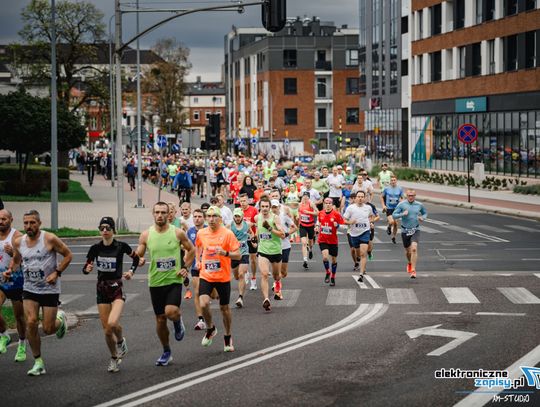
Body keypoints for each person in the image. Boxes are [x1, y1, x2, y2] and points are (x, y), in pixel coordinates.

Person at [9, 210, 73, 376]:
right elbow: (16, 259)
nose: (28, 226)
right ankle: (38, 362)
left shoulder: (49, 239)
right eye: (26, 223)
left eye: (32, 223)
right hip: (30, 288)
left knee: (48, 329)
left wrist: (56, 272)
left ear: (39, 223)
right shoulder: (18, 242)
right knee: (30, 321)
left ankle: (60, 320)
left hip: (49, 288)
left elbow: (68, 255)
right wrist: (10, 270)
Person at [135, 202, 195, 366]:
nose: (160, 215)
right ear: (153, 214)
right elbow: (139, 253)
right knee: (160, 319)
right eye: (157, 212)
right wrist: (138, 259)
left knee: (171, 311)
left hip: (173, 279)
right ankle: (166, 351)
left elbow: (192, 250)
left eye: (163, 212)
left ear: (169, 215)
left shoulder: (178, 233)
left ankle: (177, 321)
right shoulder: (146, 235)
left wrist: (185, 267)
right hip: (155, 282)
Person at [83, 217, 141, 373]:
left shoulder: (121, 246)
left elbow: (136, 258)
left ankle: (121, 341)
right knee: (107, 330)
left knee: (113, 323)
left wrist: (131, 271)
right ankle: (114, 358)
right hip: (101, 289)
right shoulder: (95, 248)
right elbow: (86, 266)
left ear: (113, 230)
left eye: (108, 228)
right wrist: (87, 269)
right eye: (101, 228)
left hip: (116, 288)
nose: (105, 231)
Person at [195, 206, 240, 351]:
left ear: (220, 218)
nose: (211, 219)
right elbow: (198, 246)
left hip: (222, 277)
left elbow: (238, 255)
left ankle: (227, 336)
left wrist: (226, 253)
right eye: (208, 216)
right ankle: (211, 328)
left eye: (214, 216)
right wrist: (198, 260)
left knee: (224, 308)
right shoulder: (201, 233)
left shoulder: (228, 234)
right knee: (203, 303)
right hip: (206, 275)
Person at [0, 209, 26, 361]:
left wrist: (13, 254)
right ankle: (4, 334)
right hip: (1, 281)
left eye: (4, 219)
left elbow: (24, 258)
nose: (1, 221)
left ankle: (22, 344)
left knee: (19, 317)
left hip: (16, 281)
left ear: (11, 220)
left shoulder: (17, 236)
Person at [255, 197, 285, 310]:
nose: (264, 209)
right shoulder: (257, 217)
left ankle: (277, 283)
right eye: (262, 206)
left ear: (270, 207)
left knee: (276, 275)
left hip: (276, 251)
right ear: (260, 207)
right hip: (263, 250)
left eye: (266, 206)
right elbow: (258, 230)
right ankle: (266, 299)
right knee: (264, 274)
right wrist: (255, 239)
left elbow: (282, 234)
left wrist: (270, 229)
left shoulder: (275, 218)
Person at [390, 189, 427, 279]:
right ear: (406, 196)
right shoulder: (401, 204)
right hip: (405, 230)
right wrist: (402, 214)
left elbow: (425, 213)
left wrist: (423, 218)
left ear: (415, 196)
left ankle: (413, 270)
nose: (411, 197)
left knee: (414, 249)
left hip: (415, 229)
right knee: (408, 251)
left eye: (413, 195)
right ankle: (410, 263)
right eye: (409, 195)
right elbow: (394, 215)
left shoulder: (419, 205)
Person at [343, 191, 374, 281]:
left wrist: (371, 222)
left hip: (365, 232)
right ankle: (359, 262)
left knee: (363, 253)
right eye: (358, 196)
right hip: (354, 234)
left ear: (364, 198)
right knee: (358, 254)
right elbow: (344, 220)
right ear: (356, 198)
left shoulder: (368, 207)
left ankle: (361, 274)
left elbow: (371, 216)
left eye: (362, 197)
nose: (360, 198)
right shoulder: (350, 208)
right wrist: (350, 222)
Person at [186, 209, 207, 330]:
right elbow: (188, 247)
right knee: (198, 291)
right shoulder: (190, 231)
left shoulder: (208, 230)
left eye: (199, 216)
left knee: (213, 294)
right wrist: (186, 257)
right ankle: (200, 319)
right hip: (195, 265)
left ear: (204, 218)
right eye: (195, 216)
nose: (197, 218)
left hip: (209, 266)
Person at [317, 198, 345, 286]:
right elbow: (318, 222)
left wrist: (337, 225)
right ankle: (327, 272)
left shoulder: (336, 214)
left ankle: (333, 276)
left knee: (333, 260)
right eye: (326, 203)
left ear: (332, 204)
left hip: (333, 240)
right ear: (324, 204)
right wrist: (317, 226)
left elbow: (342, 223)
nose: (328, 205)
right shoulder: (320, 213)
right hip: (323, 239)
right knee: (325, 257)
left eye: (329, 203)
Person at [230, 208, 252, 308]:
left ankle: (240, 297)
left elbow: (252, 232)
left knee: (241, 274)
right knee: (236, 277)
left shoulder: (247, 225)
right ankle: (245, 273)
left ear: (242, 216)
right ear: (233, 216)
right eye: (236, 216)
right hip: (234, 254)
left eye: (239, 216)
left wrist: (253, 239)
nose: (237, 218)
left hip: (244, 253)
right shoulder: (229, 226)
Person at [239, 194, 259, 290]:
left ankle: (254, 279)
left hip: (252, 237)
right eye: (241, 201)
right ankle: (246, 272)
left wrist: (252, 224)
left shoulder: (253, 210)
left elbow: (258, 222)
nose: (242, 203)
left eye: (244, 201)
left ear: (248, 201)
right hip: (242, 239)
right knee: (243, 259)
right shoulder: (238, 211)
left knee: (253, 259)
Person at [380, 175, 405, 244]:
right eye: (392, 180)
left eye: (394, 180)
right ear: (390, 181)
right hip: (389, 208)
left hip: (397, 208)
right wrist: (383, 205)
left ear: (396, 181)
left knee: (396, 224)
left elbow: (402, 197)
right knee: (391, 222)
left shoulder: (400, 189)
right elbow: (381, 197)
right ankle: (389, 227)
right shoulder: (386, 188)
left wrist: (401, 201)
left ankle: (393, 237)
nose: (393, 181)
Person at [298, 191, 319, 269]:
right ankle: (305, 261)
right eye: (304, 196)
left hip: (310, 226)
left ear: (309, 197)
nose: (305, 198)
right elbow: (298, 213)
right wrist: (298, 218)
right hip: (302, 225)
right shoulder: (300, 205)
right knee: (303, 243)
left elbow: (317, 213)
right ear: (302, 197)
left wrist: (309, 212)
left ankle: (310, 250)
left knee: (310, 242)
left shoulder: (311, 204)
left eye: (307, 197)